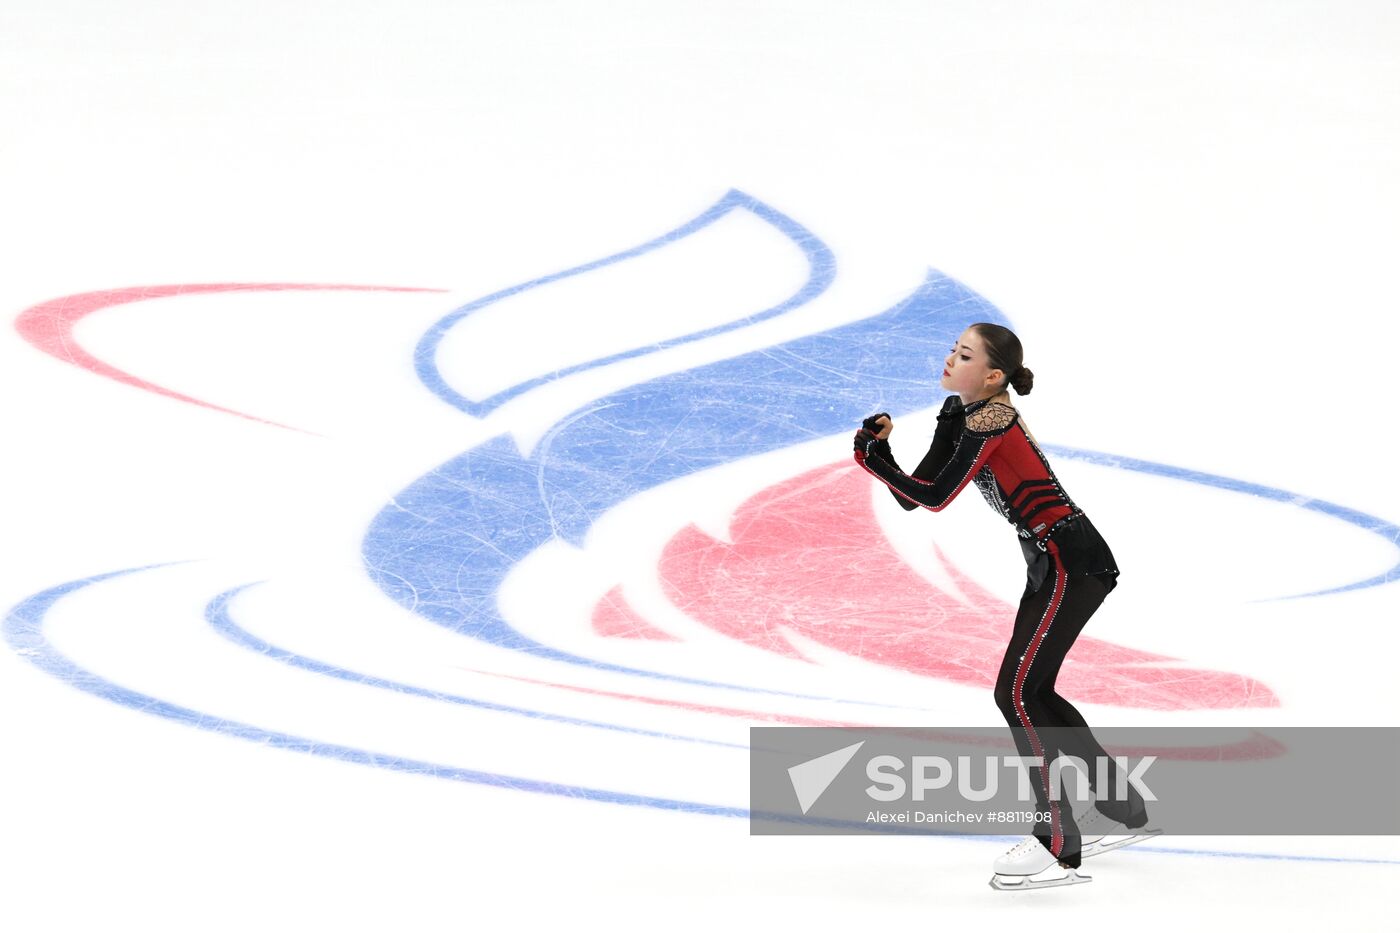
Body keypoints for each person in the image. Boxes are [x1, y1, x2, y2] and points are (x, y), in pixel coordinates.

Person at [851, 323, 1158, 890]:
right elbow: (915, 493)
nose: (950, 358)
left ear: (993, 376)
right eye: (952, 348)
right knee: (1031, 689)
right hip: (1049, 562)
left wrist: (870, 458)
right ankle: (1124, 810)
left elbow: (936, 498)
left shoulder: (995, 419)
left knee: (1016, 693)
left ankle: (1057, 839)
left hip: (1075, 559)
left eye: (964, 355)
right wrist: (883, 451)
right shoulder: (959, 412)